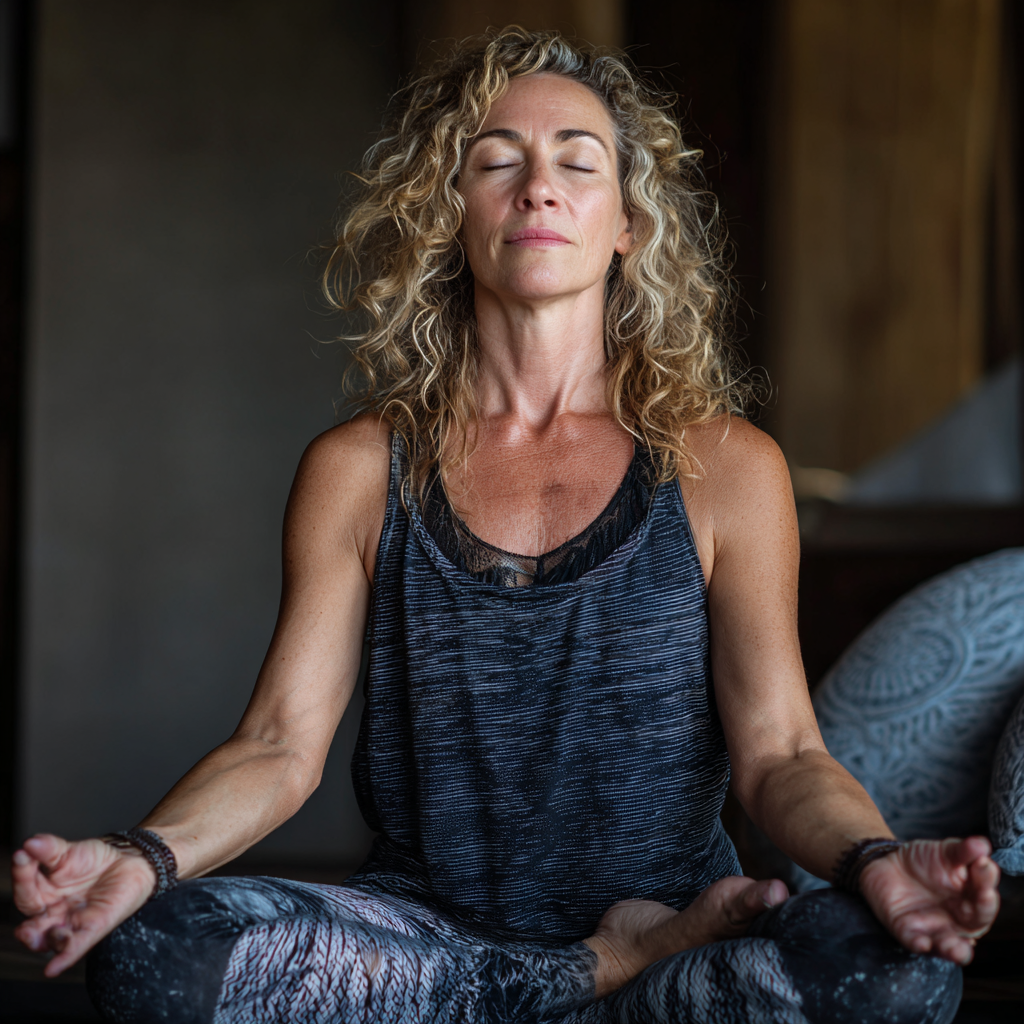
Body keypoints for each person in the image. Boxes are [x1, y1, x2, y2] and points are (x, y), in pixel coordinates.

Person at [13, 28, 999, 1024]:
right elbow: (277, 743)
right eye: (496, 162)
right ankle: (586, 977)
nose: (538, 188)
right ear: (451, 213)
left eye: (578, 162)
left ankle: (595, 975)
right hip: (428, 937)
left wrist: (876, 861)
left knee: (898, 972)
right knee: (153, 953)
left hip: (680, 936)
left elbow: (782, 753)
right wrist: (137, 857)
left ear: (626, 224)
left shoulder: (724, 467)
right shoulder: (358, 469)